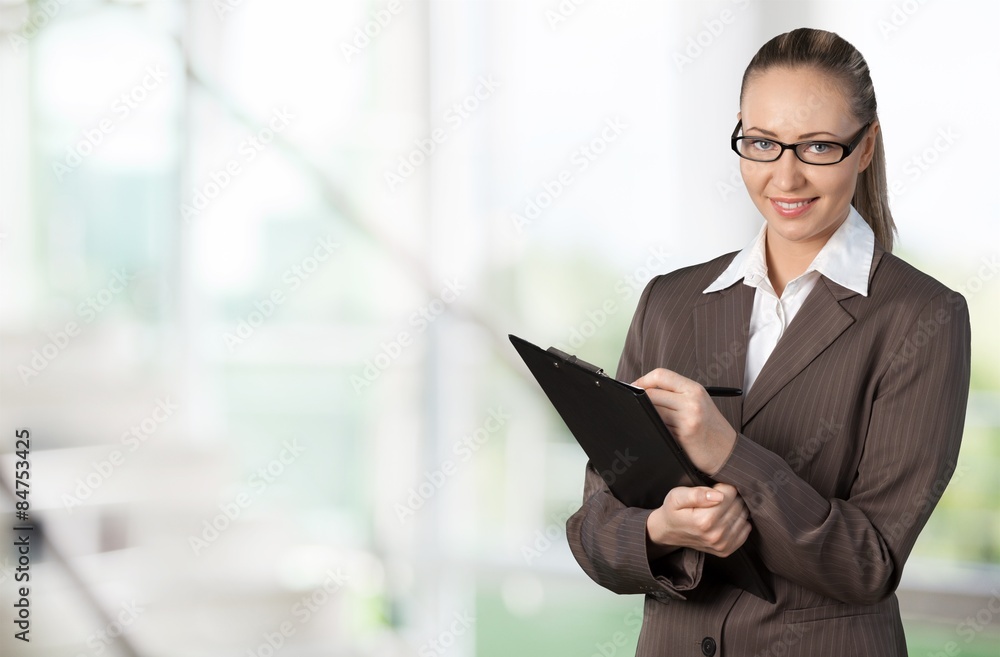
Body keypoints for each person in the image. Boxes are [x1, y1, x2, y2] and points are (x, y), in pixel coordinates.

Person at [566, 27, 970, 656]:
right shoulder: (669, 304)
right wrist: (661, 530)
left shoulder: (922, 317)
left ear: (866, 148)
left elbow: (868, 563)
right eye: (762, 143)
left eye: (817, 146)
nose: (785, 176)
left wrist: (730, 453)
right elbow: (594, 530)